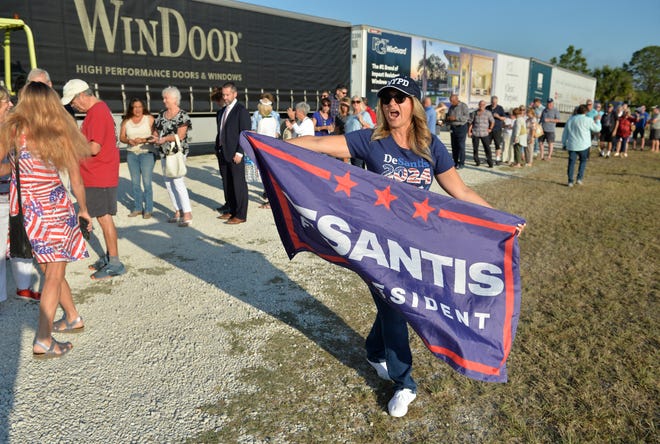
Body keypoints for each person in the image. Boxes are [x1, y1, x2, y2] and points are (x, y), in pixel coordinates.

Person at [288, 75, 500, 418]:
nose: (391, 104)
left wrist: (500, 219)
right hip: (378, 246)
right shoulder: (371, 140)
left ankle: (375, 351)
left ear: (412, 104)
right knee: (397, 307)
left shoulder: (431, 146)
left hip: (417, 245)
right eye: (386, 98)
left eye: (399, 98)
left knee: (394, 305)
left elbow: (461, 192)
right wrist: (271, 145)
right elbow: (321, 145)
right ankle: (404, 383)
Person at [0, 81, 92, 357]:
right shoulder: (59, 130)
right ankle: (43, 338)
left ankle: (73, 316)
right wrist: (84, 209)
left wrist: (17, 165)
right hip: (55, 209)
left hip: (29, 212)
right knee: (54, 273)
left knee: (51, 270)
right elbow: (76, 179)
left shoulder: (13, 131)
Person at [61, 79, 125, 279]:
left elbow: (94, 148)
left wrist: (71, 148)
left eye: (73, 102)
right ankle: (109, 256)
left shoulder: (97, 112)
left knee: (104, 218)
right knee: (102, 217)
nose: (73, 106)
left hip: (100, 175)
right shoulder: (97, 111)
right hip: (97, 174)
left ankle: (115, 262)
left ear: (81, 95)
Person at [0, 86, 41, 303]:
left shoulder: (12, 125)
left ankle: (23, 287)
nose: (10, 104)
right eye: (6, 101)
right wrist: (15, 166)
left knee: (19, 240)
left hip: (15, 194)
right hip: (3, 195)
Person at [153, 86, 193, 227]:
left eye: (166, 98)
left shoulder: (183, 115)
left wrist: (164, 139)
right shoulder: (161, 114)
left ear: (175, 99)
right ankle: (178, 210)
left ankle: (187, 213)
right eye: (163, 98)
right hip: (164, 152)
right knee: (168, 182)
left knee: (177, 180)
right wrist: (155, 138)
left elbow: (180, 136)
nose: (164, 100)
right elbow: (157, 131)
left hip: (177, 152)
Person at [215, 82, 251, 225]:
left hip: (235, 153)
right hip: (223, 152)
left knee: (238, 184)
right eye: (223, 94)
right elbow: (222, 132)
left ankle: (241, 214)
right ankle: (231, 209)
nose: (225, 97)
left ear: (235, 94)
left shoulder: (240, 111)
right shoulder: (222, 111)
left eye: (227, 94)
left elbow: (245, 133)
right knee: (227, 183)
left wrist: (240, 152)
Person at [119, 98, 156, 219]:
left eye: (139, 106)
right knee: (135, 183)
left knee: (146, 182)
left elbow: (155, 136)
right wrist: (128, 140)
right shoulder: (126, 121)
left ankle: (149, 209)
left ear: (143, 107)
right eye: (135, 107)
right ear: (131, 108)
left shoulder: (149, 119)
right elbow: (122, 137)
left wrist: (144, 140)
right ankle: (138, 208)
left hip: (147, 153)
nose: (137, 109)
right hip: (132, 154)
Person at [562, 104, 601, 187]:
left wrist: (564, 143)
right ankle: (579, 179)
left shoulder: (570, 119)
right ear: (586, 111)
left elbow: (565, 132)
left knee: (571, 163)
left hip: (572, 144)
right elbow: (597, 129)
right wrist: (598, 121)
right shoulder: (588, 120)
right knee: (583, 161)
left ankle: (570, 181)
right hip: (584, 145)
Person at [344, 95, 375, 168]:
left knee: (358, 168)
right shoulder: (349, 116)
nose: (355, 103)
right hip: (349, 144)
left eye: (358, 101)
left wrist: (362, 121)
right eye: (353, 102)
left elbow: (372, 128)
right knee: (351, 168)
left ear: (361, 103)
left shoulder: (365, 114)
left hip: (359, 144)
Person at [467, 100, 494, 167]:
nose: (481, 106)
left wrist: (490, 128)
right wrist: (469, 132)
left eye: (483, 105)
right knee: (475, 148)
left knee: (487, 148)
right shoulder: (474, 113)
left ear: (485, 105)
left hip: (484, 133)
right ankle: (477, 161)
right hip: (475, 132)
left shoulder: (488, 113)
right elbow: (471, 123)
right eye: (480, 104)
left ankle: (490, 162)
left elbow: (492, 121)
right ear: (478, 105)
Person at [446, 93, 470, 169]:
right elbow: (448, 117)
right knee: (454, 146)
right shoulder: (451, 107)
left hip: (461, 127)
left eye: (452, 101)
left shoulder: (463, 106)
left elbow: (466, 117)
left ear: (457, 99)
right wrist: (448, 121)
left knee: (461, 146)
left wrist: (456, 117)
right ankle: (455, 162)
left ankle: (462, 162)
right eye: (450, 101)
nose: (451, 103)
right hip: (453, 128)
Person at [486, 96, 506, 164]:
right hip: (488, 129)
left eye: (495, 102)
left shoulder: (500, 108)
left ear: (497, 102)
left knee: (497, 144)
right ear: (491, 101)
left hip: (497, 129)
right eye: (492, 102)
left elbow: (504, 118)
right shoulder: (487, 108)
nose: (494, 103)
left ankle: (497, 159)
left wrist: (498, 117)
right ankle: (488, 158)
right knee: (487, 144)